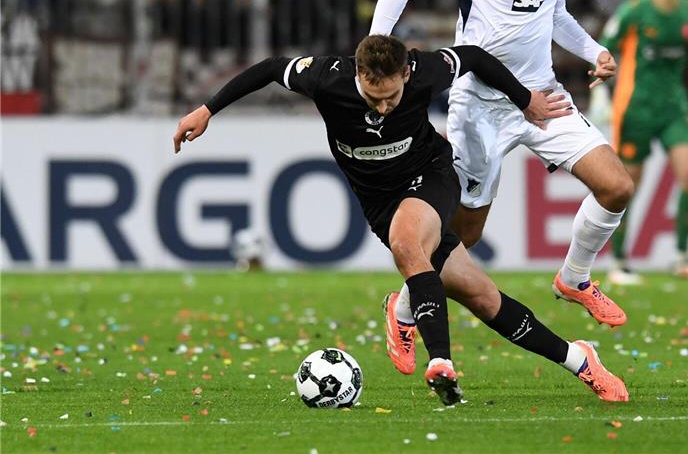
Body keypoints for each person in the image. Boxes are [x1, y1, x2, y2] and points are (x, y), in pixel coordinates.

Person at [173, 35, 629, 405]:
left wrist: (524, 98)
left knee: (409, 245)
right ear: (359, 75)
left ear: (406, 74)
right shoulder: (327, 77)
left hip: (431, 175)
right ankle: (579, 359)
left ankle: (441, 361)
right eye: (374, 97)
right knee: (481, 296)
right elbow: (271, 68)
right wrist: (207, 109)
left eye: (391, 96)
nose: (383, 107)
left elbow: (473, 56)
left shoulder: (424, 68)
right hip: (378, 202)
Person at [369, 0, 636, 376]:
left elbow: (556, 16)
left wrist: (596, 51)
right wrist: (377, 50)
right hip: (481, 108)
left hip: (542, 99)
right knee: (462, 238)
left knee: (617, 186)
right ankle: (402, 310)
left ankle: (574, 279)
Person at [595, 0, 688, 285]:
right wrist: (602, 93)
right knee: (627, 186)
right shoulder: (635, 11)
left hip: (674, 109)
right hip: (636, 109)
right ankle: (619, 261)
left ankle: (682, 257)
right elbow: (604, 49)